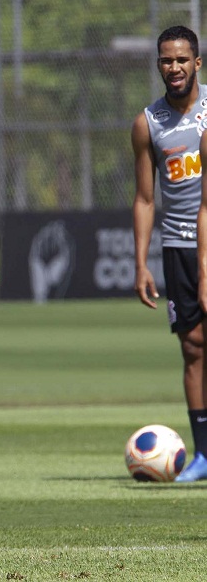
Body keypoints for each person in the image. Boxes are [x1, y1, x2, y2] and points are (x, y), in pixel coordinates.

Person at [133, 25, 207, 483]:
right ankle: (203, 455)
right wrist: (141, 262)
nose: (174, 67)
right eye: (166, 60)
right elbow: (145, 198)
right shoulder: (148, 123)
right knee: (194, 347)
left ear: (197, 63)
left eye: (182, 59)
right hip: (178, 245)